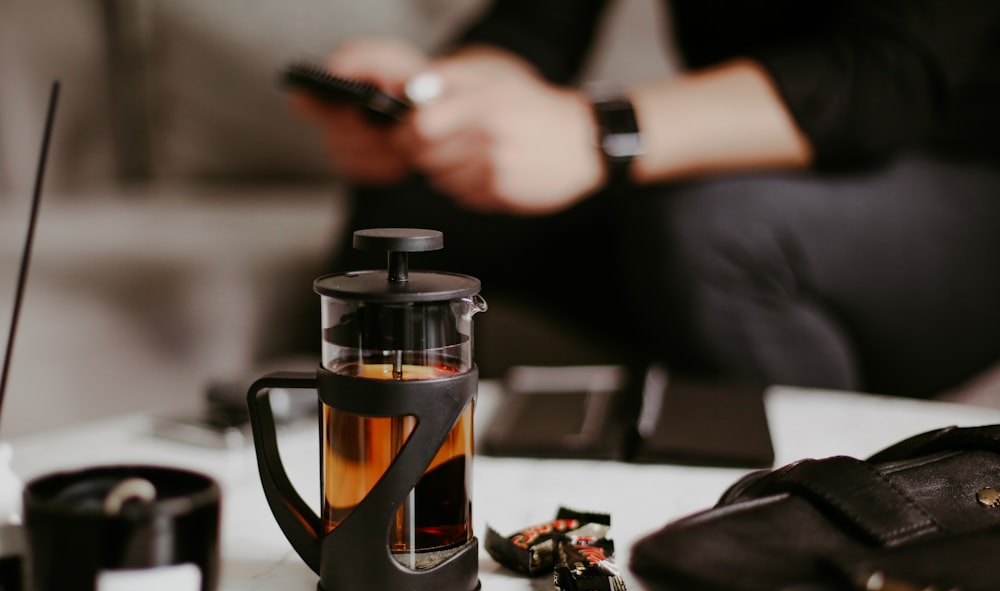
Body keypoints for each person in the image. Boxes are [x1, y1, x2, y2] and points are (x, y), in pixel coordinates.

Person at [293, 0, 1000, 398]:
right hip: (749, 170)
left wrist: (603, 131)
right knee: (422, 203)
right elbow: (537, 24)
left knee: (713, 229)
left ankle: (796, 545)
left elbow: (895, 73)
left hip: (959, 188)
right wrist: (438, 102)